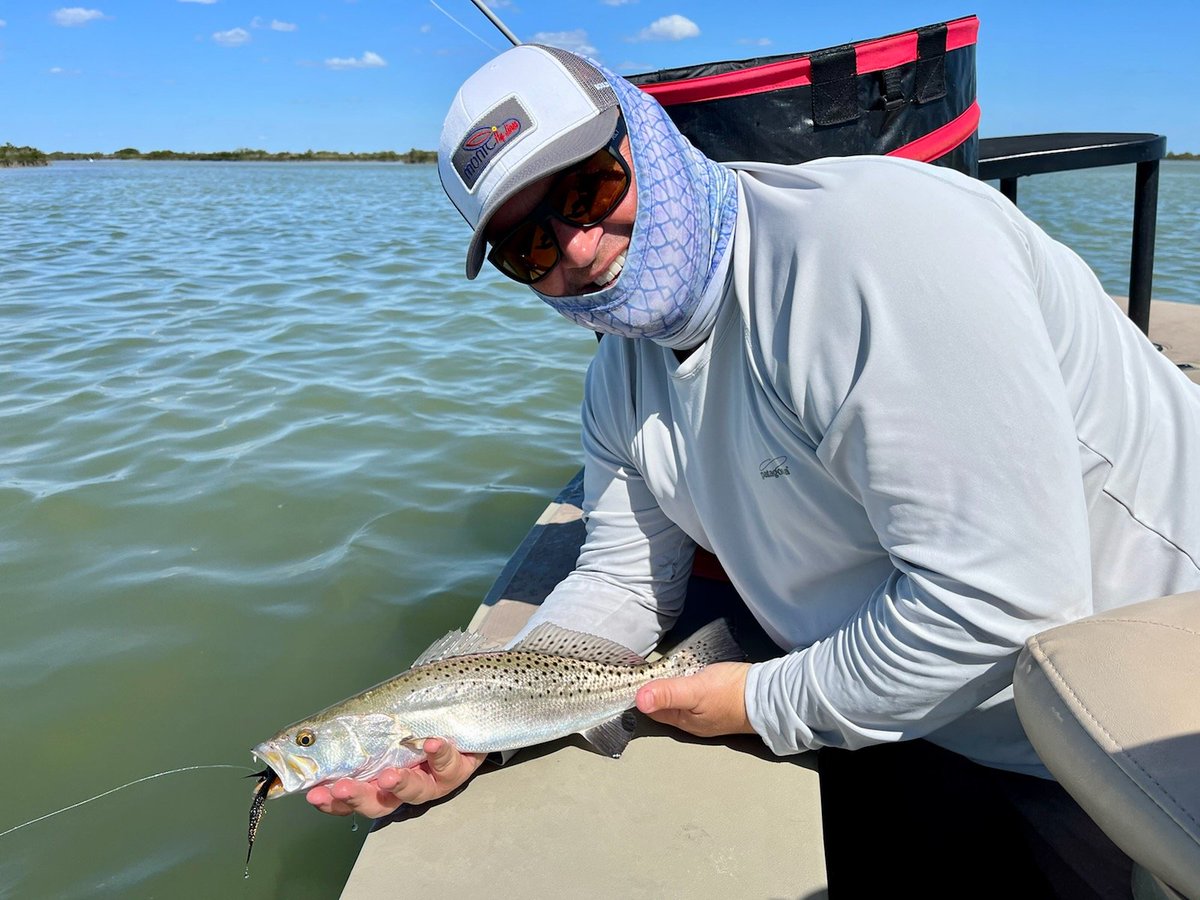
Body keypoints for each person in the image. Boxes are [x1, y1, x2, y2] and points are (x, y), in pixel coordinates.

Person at [308, 44, 1200, 894]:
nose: (575, 251)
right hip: (914, 723)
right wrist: (483, 729)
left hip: (1133, 710)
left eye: (588, 189)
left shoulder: (880, 250)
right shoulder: (619, 379)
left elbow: (1001, 603)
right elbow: (621, 573)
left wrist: (759, 701)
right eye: (526, 247)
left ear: (650, 136)